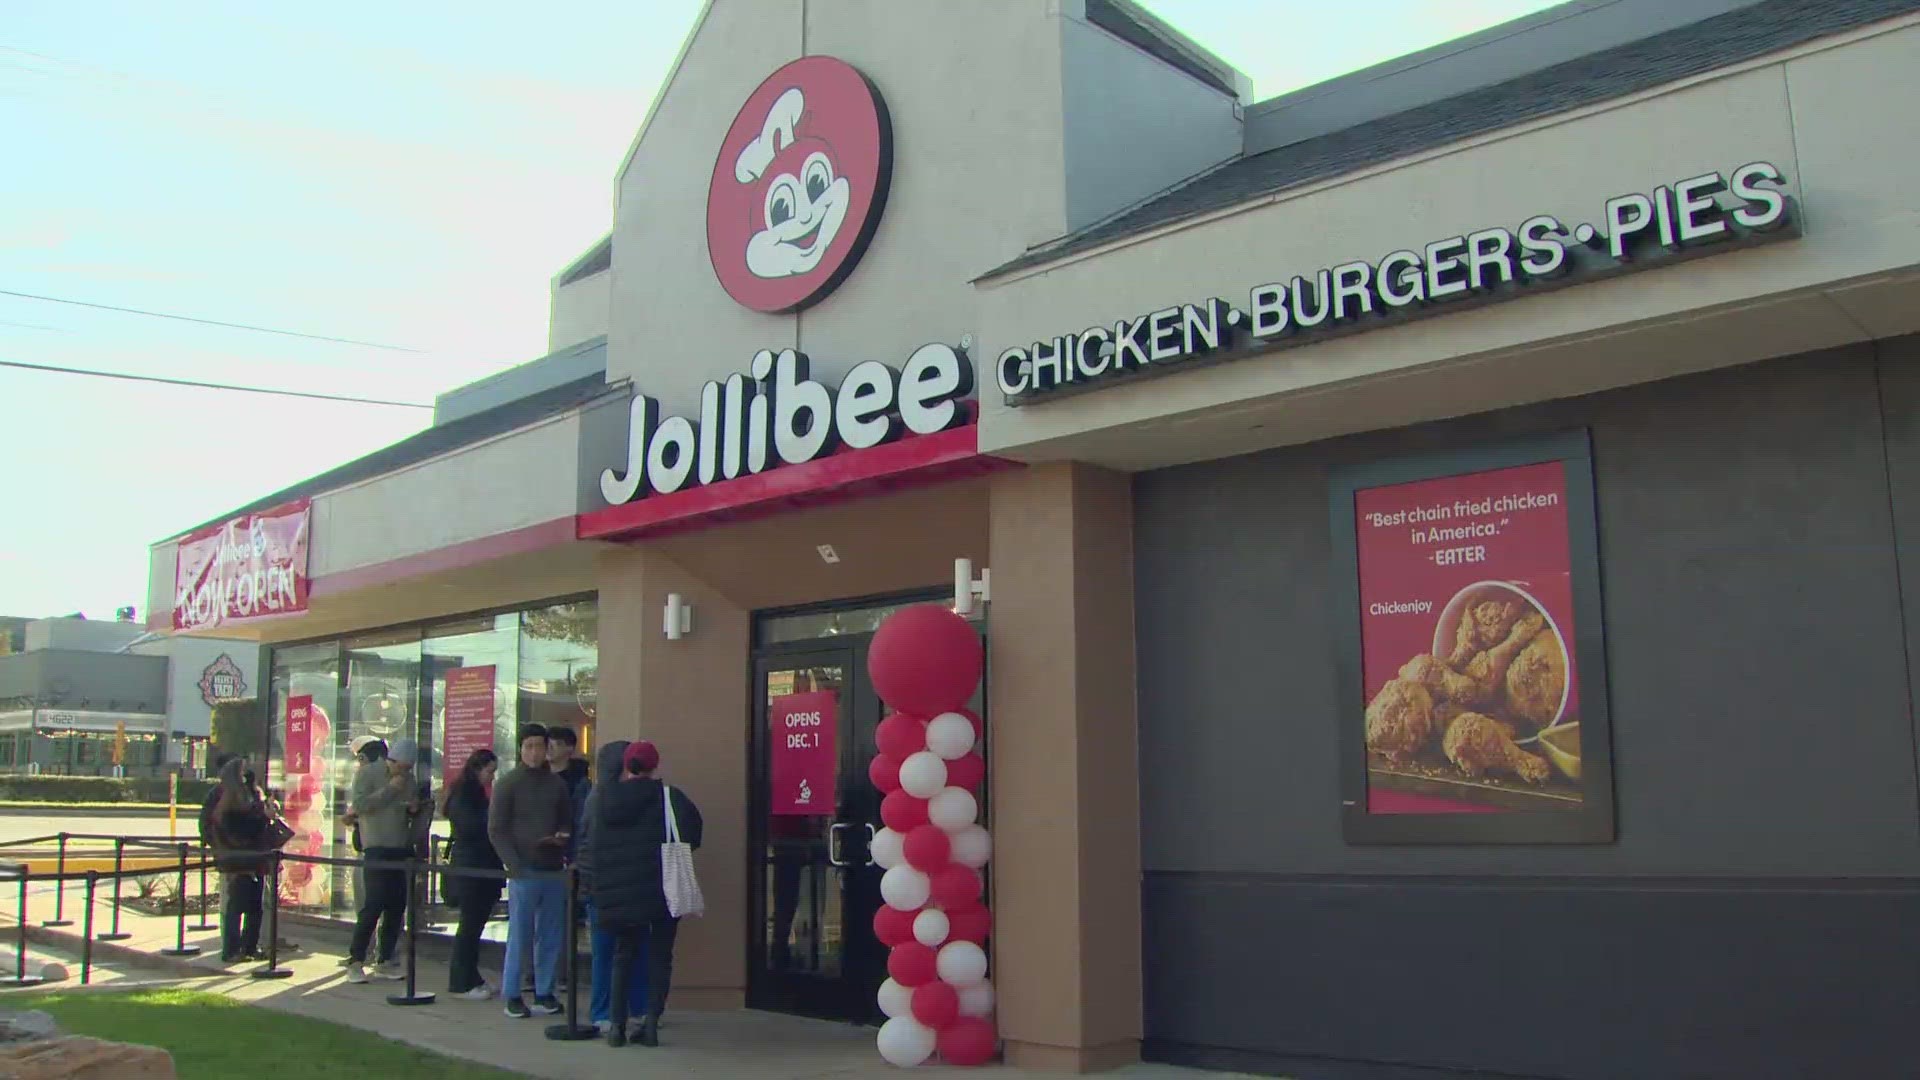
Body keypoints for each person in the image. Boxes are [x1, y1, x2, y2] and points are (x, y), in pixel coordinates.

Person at [586, 740, 702, 1048]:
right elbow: (693, 834)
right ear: (654, 766)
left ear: (626, 765)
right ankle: (650, 1022)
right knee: (660, 957)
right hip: (662, 889)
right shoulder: (669, 798)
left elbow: (593, 844)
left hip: (618, 892)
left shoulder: (604, 800)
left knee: (622, 955)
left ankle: (616, 1027)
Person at [488, 724, 573, 1019]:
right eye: (529, 746)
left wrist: (561, 837)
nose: (535, 752)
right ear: (521, 749)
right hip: (523, 869)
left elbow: (566, 821)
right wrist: (513, 864)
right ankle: (512, 993)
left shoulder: (556, 785)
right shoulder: (509, 783)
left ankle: (545, 991)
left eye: (540, 746)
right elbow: (496, 829)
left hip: (552, 867)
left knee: (550, 935)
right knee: (520, 934)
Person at [577, 739, 648, 1033]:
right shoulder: (603, 800)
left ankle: (625, 1008)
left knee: (622, 951)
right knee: (610, 952)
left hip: (614, 884)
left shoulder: (604, 797)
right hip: (607, 884)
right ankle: (607, 1010)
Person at [345, 738, 419, 983]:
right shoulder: (368, 773)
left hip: (399, 846)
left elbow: (407, 805)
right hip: (375, 846)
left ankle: (385, 958)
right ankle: (356, 960)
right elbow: (360, 805)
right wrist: (391, 789)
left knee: (396, 905)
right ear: (391, 760)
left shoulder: (409, 780)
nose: (404, 773)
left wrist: (412, 807)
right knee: (373, 904)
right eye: (401, 767)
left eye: (409, 769)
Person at [442, 747, 502, 1000]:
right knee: (469, 926)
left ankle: (471, 976)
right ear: (478, 769)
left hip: (479, 865)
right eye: (490, 772)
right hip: (472, 867)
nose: (492, 778)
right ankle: (461, 981)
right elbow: (473, 828)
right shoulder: (465, 796)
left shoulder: (472, 793)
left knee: (474, 925)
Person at [207, 757, 270, 963]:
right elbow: (239, 828)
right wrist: (262, 816)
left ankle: (249, 947)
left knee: (255, 907)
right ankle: (232, 949)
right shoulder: (226, 800)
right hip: (239, 859)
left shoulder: (250, 794)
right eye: (243, 773)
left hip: (254, 858)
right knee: (237, 906)